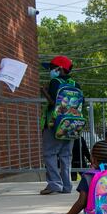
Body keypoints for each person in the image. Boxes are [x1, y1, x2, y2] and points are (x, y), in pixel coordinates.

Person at [39, 55, 79, 195]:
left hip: (54, 123)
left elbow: (53, 103)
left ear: (59, 68)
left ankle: (55, 184)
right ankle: (67, 186)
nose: (49, 71)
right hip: (71, 125)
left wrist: (44, 92)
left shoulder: (55, 82)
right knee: (66, 156)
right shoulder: (75, 84)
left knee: (50, 153)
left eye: (51, 68)